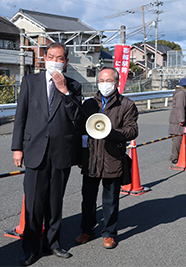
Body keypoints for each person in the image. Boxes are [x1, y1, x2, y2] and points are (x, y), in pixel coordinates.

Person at [11, 42, 82, 266]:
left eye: (59, 58)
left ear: (66, 62)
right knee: (33, 203)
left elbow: (78, 119)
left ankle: (53, 243)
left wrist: (65, 92)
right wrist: (17, 148)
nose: (54, 61)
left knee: (55, 201)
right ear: (44, 58)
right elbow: (20, 116)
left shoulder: (74, 86)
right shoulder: (30, 82)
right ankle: (30, 248)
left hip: (61, 152)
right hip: (34, 150)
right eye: (50, 56)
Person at [75, 66, 139, 249]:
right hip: (91, 158)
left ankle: (109, 233)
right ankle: (87, 229)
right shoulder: (89, 105)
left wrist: (111, 132)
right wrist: (79, 156)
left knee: (110, 199)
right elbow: (79, 130)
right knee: (88, 197)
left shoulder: (126, 105)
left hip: (113, 158)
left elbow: (132, 130)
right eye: (101, 81)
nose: (105, 84)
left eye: (108, 81)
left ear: (117, 82)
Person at [168, 78, 186, 164]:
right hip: (178, 120)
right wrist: (182, 119)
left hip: (177, 119)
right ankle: (174, 157)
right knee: (177, 139)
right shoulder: (181, 94)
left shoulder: (181, 93)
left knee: (180, 139)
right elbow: (180, 107)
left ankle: (178, 156)